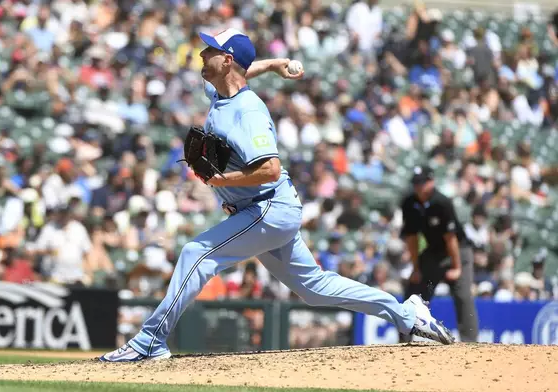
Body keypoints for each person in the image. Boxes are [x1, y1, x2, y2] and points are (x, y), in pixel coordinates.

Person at [100, 29, 454, 362]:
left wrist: (219, 181)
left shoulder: (249, 112)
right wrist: (271, 64)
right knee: (314, 289)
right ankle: (408, 315)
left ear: (225, 60)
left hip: (267, 208)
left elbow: (269, 168)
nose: (201, 53)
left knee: (196, 254)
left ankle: (148, 342)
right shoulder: (223, 93)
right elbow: (241, 75)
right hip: (267, 208)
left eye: (210, 49)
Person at [399, 165, 478, 343]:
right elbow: (412, 238)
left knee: (463, 296)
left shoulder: (441, 202)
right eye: (416, 183)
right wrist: (416, 268)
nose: (419, 187)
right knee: (415, 291)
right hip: (434, 252)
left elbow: (451, 238)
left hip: (458, 251)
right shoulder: (409, 203)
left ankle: (471, 341)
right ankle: (404, 339)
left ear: (432, 182)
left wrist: (457, 268)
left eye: (423, 182)